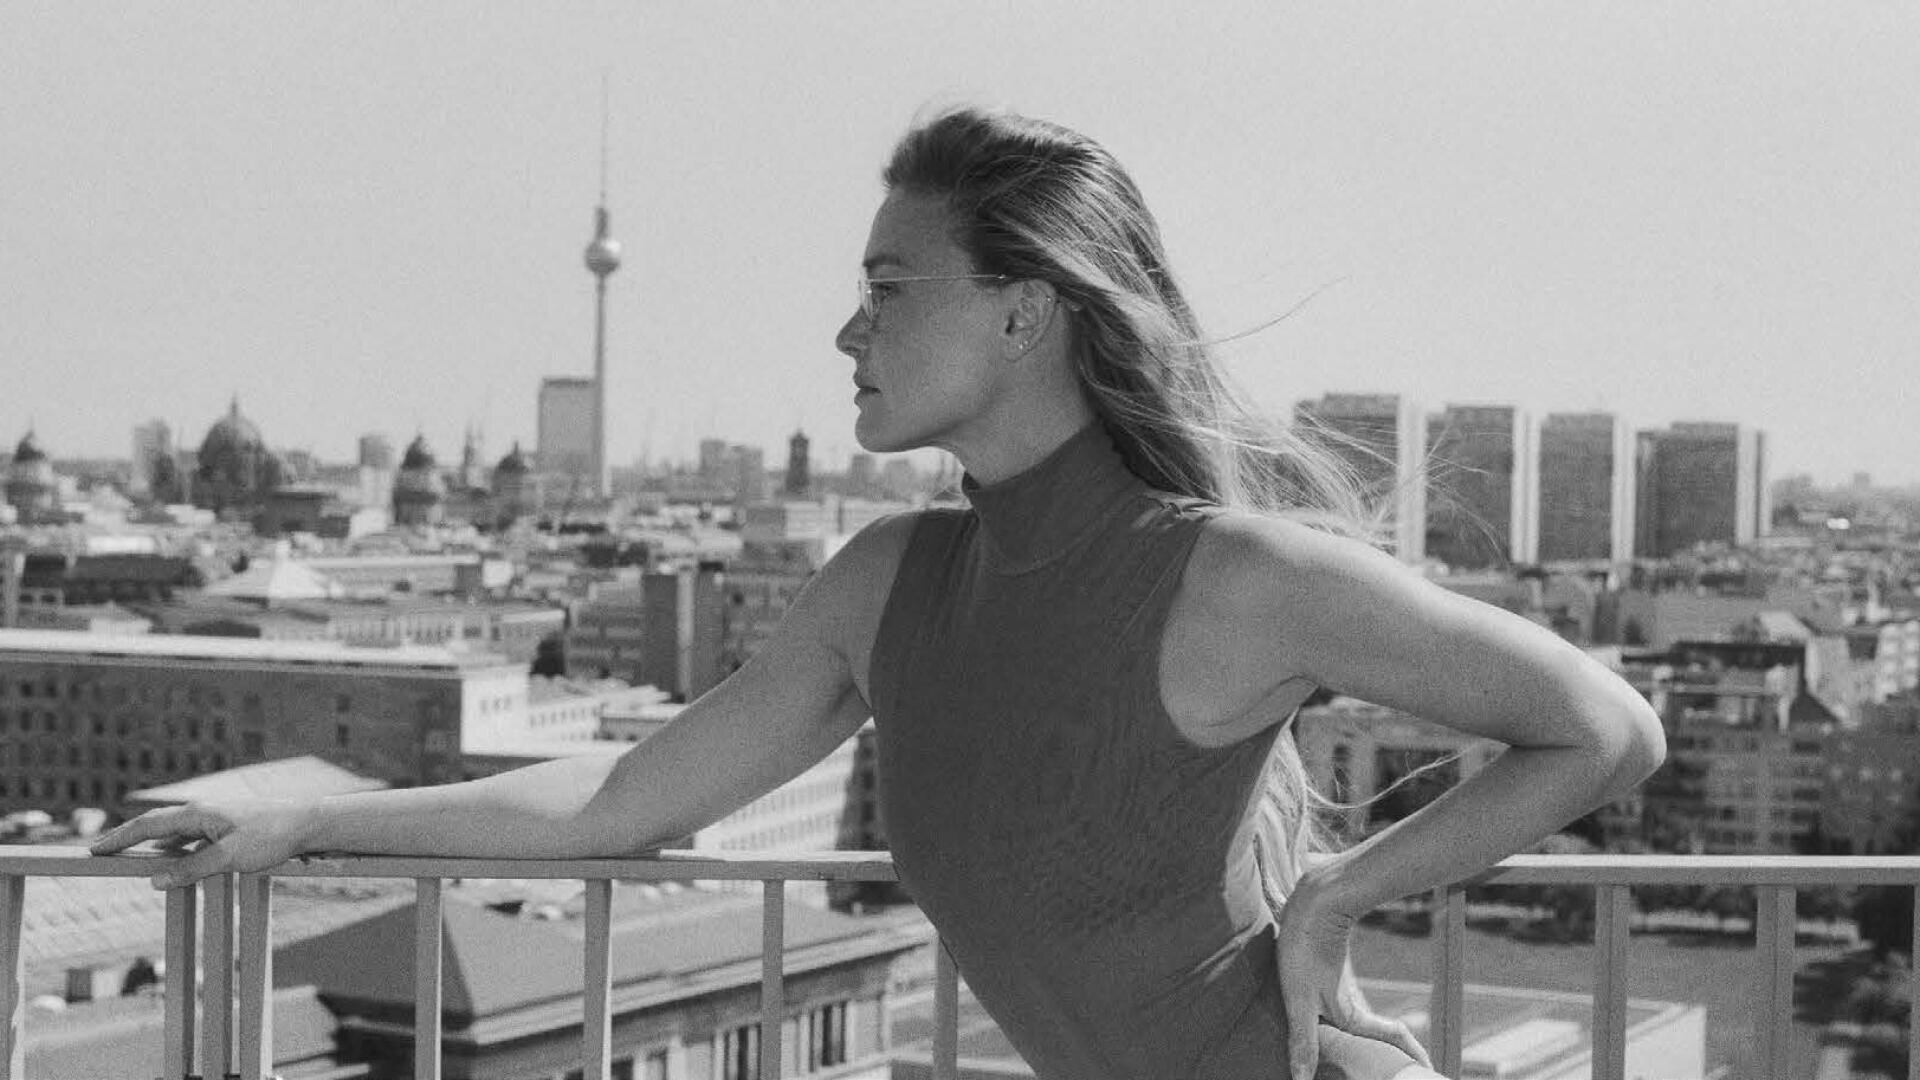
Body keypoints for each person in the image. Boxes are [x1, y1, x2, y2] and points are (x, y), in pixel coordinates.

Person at [92, 107, 1665, 1080]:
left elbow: (1602, 728)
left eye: (888, 289)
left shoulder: (1227, 576)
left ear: (1028, 313)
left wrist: (1341, 896)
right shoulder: (893, 580)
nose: (848, 333)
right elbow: (612, 805)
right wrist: (302, 824)